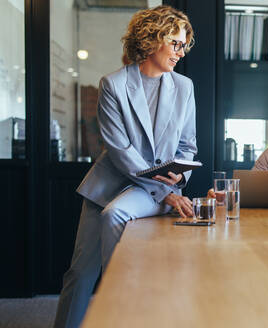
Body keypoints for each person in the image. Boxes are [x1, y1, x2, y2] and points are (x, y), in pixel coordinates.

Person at [54, 6, 197, 327]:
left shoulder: (184, 87)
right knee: (79, 273)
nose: (181, 51)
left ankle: (123, 306)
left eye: (184, 44)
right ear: (151, 40)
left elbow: (188, 146)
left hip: (152, 191)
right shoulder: (113, 85)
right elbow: (120, 150)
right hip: (110, 184)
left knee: (115, 222)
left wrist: (179, 177)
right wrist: (165, 192)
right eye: (175, 43)